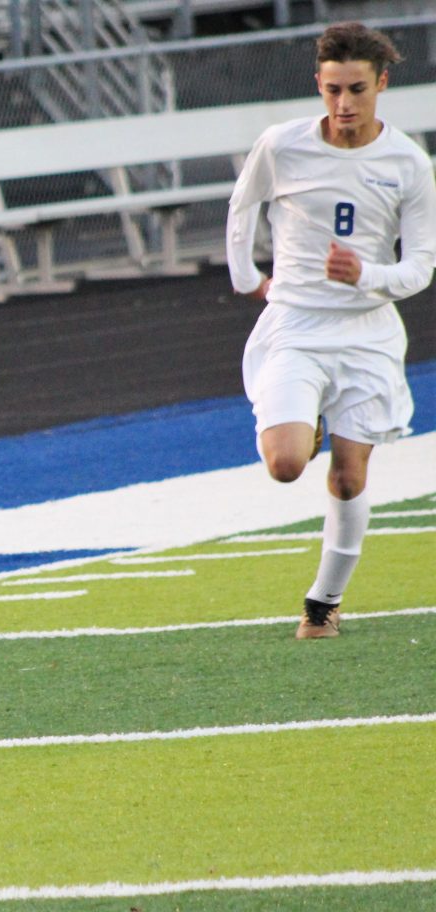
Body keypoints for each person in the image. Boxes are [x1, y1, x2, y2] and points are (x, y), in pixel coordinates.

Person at [226, 22, 436, 639]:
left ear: (382, 84)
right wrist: (247, 278)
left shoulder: (408, 162)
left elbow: (421, 266)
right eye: (332, 89)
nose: (344, 104)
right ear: (318, 84)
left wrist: (365, 273)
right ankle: (308, 418)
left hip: (366, 332)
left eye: (357, 90)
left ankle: (323, 603)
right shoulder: (282, 145)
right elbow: (243, 206)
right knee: (285, 464)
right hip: (296, 324)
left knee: (347, 474)